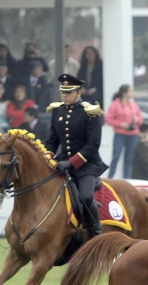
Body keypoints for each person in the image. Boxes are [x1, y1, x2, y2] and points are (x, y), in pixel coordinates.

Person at [45, 74, 107, 237]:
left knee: (86, 197)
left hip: (86, 165)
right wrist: (48, 155)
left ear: (78, 93)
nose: (64, 95)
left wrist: (71, 163)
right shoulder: (57, 111)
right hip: (62, 162)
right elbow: (52, 140)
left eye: (68, 92)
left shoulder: (90, 113)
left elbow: (92, 145)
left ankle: (96, 233)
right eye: (62, 92)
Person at [105, 84, 143, 180]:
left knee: (129, 158)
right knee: (116, 157)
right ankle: (110, 178)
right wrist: (121, 124)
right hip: (120, 134)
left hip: (132, 134)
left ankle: (127, 179)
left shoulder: (134, 105)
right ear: (125, 93)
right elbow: (108, 119)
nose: (132, 93)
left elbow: (141, 119)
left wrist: (137, 120)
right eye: (130, 91)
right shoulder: (115, 104)